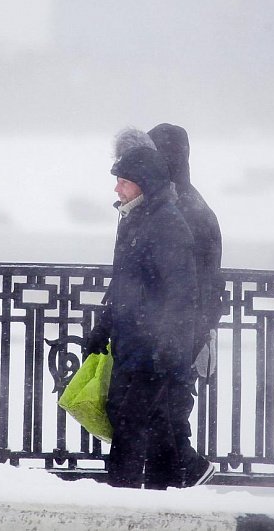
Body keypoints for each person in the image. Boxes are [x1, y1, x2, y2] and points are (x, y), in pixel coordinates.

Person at [85, 145, 200, 489]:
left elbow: (180, 292)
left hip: (153, 351)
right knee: (150, 427)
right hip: (133, 345)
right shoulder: (135, 218)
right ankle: (160, 498)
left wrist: (165, 345)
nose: (116, 189)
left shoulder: (166, 224)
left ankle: (124, 500)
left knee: (131, 428)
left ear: (144, 183)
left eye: (122, 182)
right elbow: (123, 285)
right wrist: (103, 328)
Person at [148, 122, 223, 488]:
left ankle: (187, 470)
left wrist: (196, 332)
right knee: (166, 407)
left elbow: (198, 280)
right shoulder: (187, 202)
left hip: (178, 327)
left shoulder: (179, 207)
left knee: (165, 407)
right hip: (179, 325)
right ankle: (177, 476)